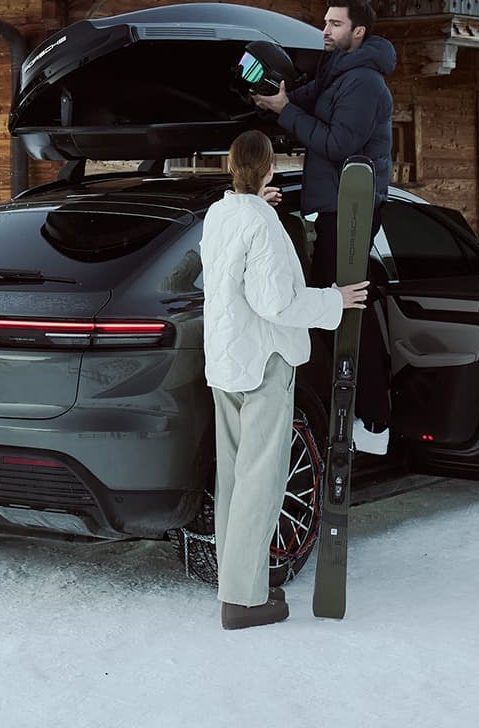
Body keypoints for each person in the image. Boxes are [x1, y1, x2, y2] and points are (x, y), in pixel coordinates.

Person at [200, 129, 367, 630]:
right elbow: (277, 302)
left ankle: (236, 585)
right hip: (263, 363)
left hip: (226, 363)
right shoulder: (262, 225)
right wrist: (335, 300)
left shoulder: (221, 214)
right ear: (270, 169)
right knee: (261, 480)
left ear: (233, 168)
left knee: (232, 479)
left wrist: (260, 205)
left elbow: (238, 257)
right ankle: (245, 600)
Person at [251, 0, 395, 453]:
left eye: (336, 24)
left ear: (359, 32)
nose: (326, 30)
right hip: (331, 208)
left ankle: (373, 418)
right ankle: (349, 405)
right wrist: (270, 97)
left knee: (345, 306)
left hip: (353, 209)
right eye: (325, 22)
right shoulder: (335, 73)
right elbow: (298, 100)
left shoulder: (366, 84)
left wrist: (284, 111)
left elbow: (338, 144)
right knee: (333, 304)